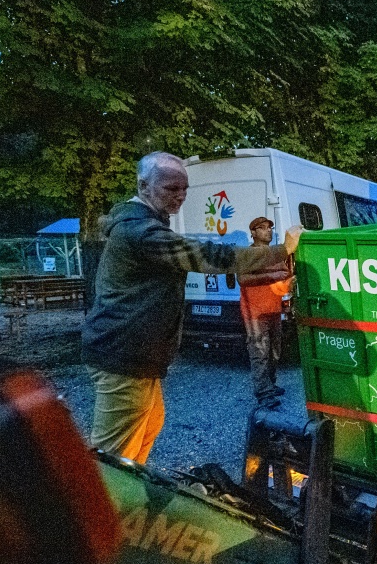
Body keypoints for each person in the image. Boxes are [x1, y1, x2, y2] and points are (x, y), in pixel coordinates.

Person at [82, 152, 302, 464]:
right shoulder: (140, 231)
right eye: (171, 189)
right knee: (113, 457)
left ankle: (127, 500)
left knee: (147, 428)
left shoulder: (144, 223)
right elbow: (210, 257)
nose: (181, 196)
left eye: (185, 188)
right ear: (143, 186)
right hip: (122, 354)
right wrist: (283, 250)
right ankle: (103, 507)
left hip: (134, 355)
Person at [239, 217, 294, 409]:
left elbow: (284, 276)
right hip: (255, 313)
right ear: (253, 233)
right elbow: (243, 279)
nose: (268, 231)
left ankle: (270, 384)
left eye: (270, 227)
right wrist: (272, 276)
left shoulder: (276, 253)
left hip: (274, 309)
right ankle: (263, 393)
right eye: (262, 228)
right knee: (259, 352)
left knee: (274, 351)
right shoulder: (248, 254)